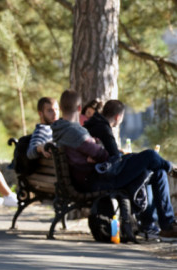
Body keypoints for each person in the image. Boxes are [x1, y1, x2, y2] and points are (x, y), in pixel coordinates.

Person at [51, 91, 177, 238]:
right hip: (97, 179)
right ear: (79, 108)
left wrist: (95, 149)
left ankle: (162, 225)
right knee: (150, 155)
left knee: (156, 171)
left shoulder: (60, 129)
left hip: (92, 176)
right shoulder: (74, 131)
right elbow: (103, 155)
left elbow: (95, 152)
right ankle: (171, 168)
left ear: (60, 107)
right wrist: (96, 149)